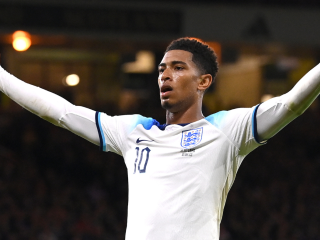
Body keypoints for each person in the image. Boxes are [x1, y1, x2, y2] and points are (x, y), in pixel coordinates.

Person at [0, 37, 319, 240]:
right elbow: (60, 112)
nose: (165, 75)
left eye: (178, 68)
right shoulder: (133, 132)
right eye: (162, 69)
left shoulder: (227, 131)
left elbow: (290, 103)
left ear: (203, 81)